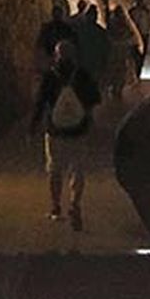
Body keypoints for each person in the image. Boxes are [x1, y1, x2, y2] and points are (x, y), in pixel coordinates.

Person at [29, 39, 101, 230]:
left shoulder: (49, 77)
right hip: (79, 130)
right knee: (78, 170)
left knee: (55, 169)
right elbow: (95, 99)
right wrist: (89, 120)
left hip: (55, 130)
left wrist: (33, 127)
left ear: (56, 56)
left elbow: (40, 104)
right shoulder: (83, 75)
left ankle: (56, 207)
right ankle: (75, 204)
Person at [103, 3, 140, 100]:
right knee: (118, 71)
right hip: (119, 51)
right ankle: (115, 89)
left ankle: (117, 90)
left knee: (120, 71)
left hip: (119, 51)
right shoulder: (116, 24)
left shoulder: (120, 24)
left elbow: (133, 37)